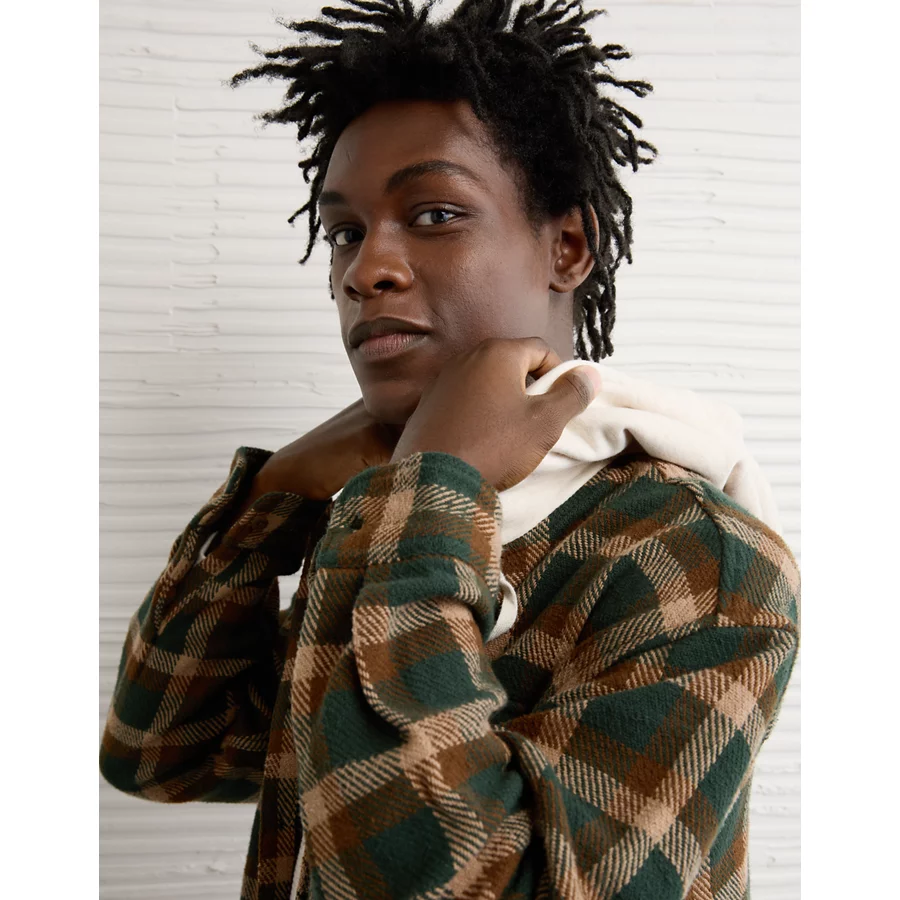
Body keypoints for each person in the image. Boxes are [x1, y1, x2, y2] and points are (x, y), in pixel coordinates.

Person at [100, 1, 799, 898]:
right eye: (345, 232)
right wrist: (273, 498)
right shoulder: (374, 520)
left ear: (568, 246)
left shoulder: (695, 556)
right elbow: (161, 753)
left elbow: (472, 883)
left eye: (434, 213)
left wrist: (435, 491)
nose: (365, 270)